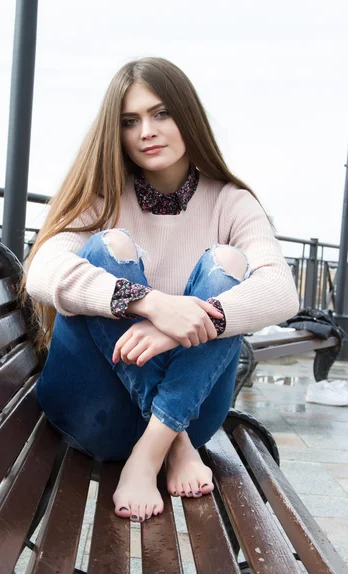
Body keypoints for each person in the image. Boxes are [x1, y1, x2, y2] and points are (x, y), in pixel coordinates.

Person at [25, 57, 299, 523]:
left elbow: (281, 291)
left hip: (190, 409)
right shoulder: (102, 196)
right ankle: (175, 445)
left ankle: (154, 448)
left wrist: (181, 326)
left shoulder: (231, 201)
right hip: (97, 410)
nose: (146, 131)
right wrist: (148, 304)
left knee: (229, 266)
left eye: (161, 113)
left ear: (187, 115)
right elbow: (43, 270)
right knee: (108, 248)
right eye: (130, 121)